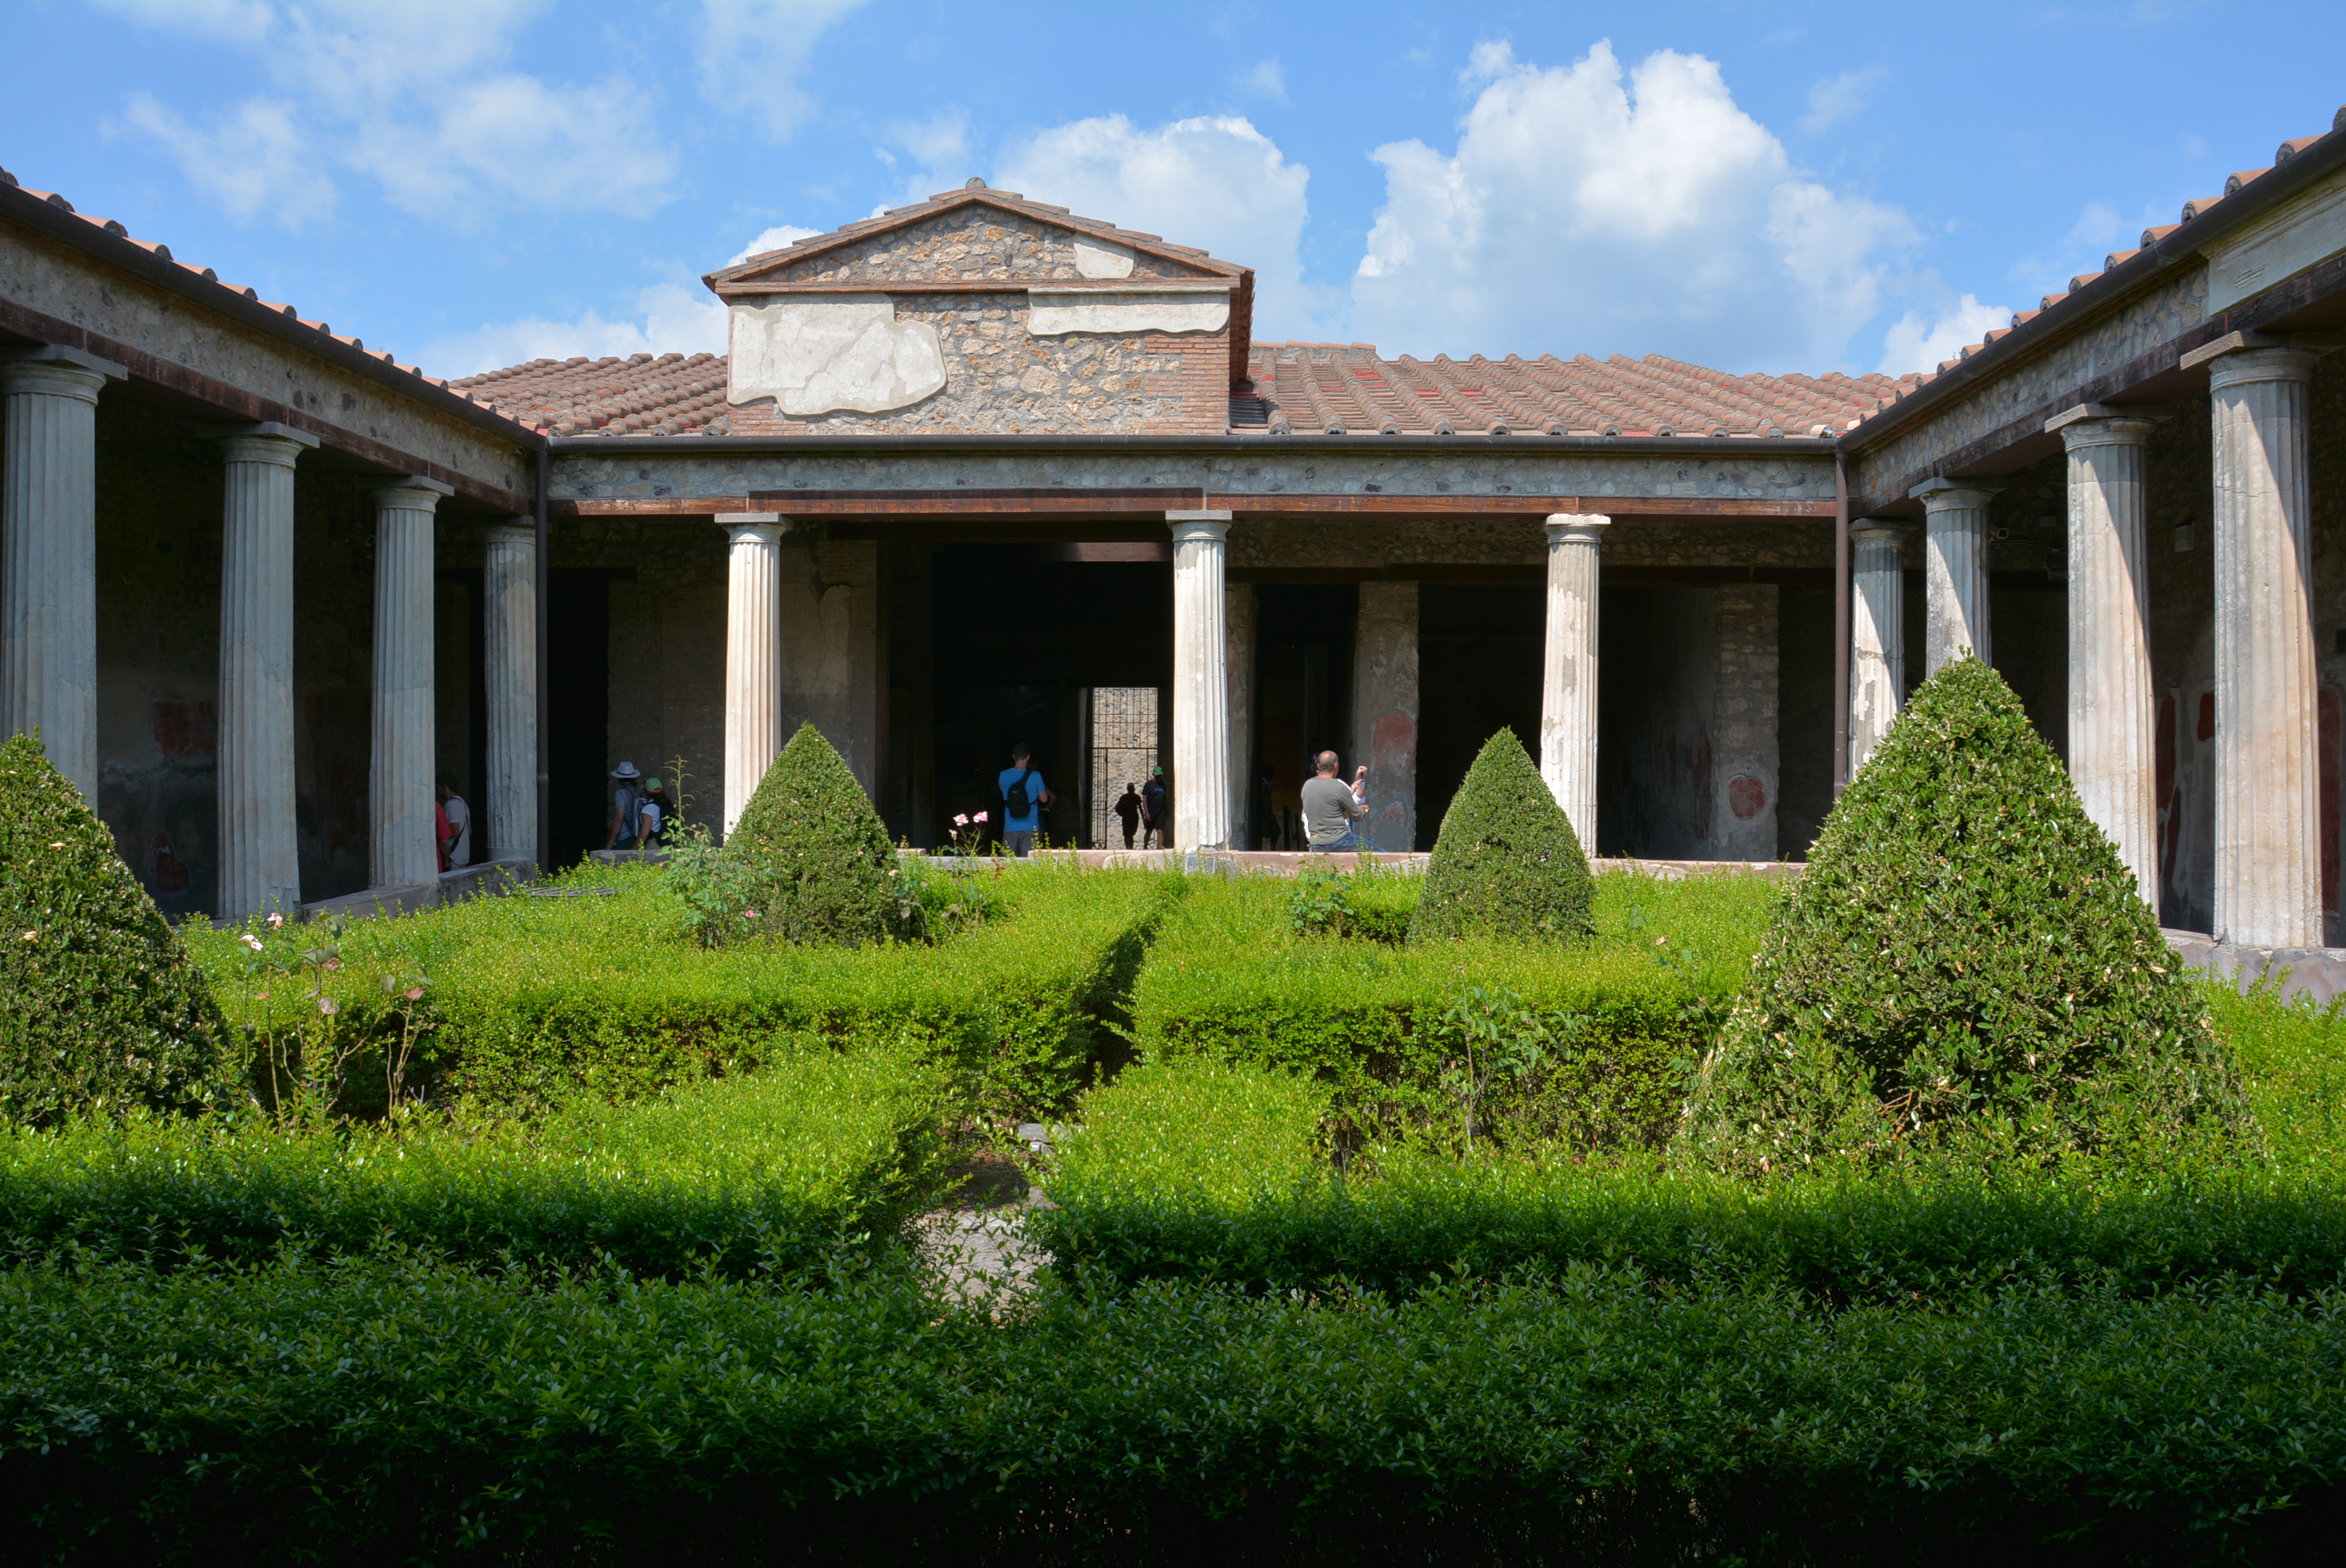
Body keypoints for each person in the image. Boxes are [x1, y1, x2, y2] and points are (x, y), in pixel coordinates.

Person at [1302, 750, 1371, 854]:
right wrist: (1365, 810)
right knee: (1381, 855)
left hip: (1317, 843)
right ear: (1336, 766)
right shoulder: (1339, 787)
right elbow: (1356, 815)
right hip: (1340, 840)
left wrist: (1358, 783)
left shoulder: (1307, 786)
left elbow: (1332, 809)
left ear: (1319, 766)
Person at [997, 742, 1053, 858]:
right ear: (1028, 757)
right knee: (1028, 863)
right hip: (1031, 826)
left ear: (1013, 756)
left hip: (1010, 826)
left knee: (1007, 863)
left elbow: (1003, 794)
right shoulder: (1036, 775)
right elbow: (1044, 799)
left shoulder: (1003, 775)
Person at [605, 761, 645, 851]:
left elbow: (619, 818)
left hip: (625, 835)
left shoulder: (621, 792)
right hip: (638, 832)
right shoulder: (640, 790)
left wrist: (610, 842)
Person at [437, 775, 472, 869]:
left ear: (444, 787)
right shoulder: (463, 803)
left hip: (454, 855)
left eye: (437, 787)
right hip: (464, 854)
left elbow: (455, 832)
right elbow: (469, 831)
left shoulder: (451, 805)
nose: (437, 791)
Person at [1141, 766, 1168, 850]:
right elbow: (1145, 798)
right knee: (1149, 831)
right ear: (1153, 775)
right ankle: (1145, 846)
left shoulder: (1163, 784)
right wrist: (1146, 812)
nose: (1158, 777)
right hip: (1151, 812)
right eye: (1157, 775)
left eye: (1160, 775)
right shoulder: (1149, 785)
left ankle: (1160, 848)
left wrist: (1167, 810)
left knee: (1160, 831)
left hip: (1161, 812)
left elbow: (1166, 798)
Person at [637, 776, 667, 851]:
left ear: (646, 791)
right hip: (667, 844)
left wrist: (633, 849)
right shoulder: (667, 804)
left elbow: (644, 834)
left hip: (653, 844)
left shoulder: (649, 808)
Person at [1251, 762, 1277, 851]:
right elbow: (1261, 799)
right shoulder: (1261, 784)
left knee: (1275, 831)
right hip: (1265, 812)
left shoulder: (1264, 783)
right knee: (1273, 831)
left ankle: (1271, 849)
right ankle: (1271, 849)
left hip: (1267, 812)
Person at [1113, 782, 1143, 850]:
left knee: (1130, 834)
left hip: (1133, 818)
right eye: (1130, 788)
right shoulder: (1125, 797)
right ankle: (1128, 848)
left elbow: (1140, 808)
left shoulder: (1136, 797)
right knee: (1127, 834)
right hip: (1128, 817)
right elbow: (1117, 807)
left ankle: (1130, 848)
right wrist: (1121, 813)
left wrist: (1144, 819)